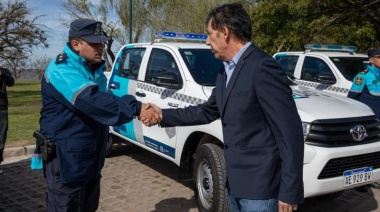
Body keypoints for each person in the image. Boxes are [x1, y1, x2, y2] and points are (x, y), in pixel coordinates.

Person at [142, 3, 304, 212]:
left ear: (225, 33)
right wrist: (162, 114)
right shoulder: (224, 71)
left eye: (210, 34)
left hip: (261, 190)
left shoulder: (262, 67)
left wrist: (290, 191)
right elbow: (207, 111)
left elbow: (290, 132)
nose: (207, 41)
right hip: (235, 184)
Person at [38, 18, 158, 211]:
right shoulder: (62, 69)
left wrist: (134, 108)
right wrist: (137, 108)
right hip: (66, 161)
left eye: (101, 42)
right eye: (94, 43)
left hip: (88, 159)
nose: (101, 47)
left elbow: (107, 101)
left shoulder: (93, 69)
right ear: (76, 44)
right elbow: (93, 101)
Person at [348, 47, 380, 191]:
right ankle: (361, 181)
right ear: (371, 60)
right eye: (379, 57)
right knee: (365, 151)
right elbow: (352, 98)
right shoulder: (363, 76)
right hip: (369, 121)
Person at [0, 67, 15, 174]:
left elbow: (11, 82)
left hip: (2, 108)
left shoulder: (4, 71)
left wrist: (2, 74)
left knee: (1, 137)